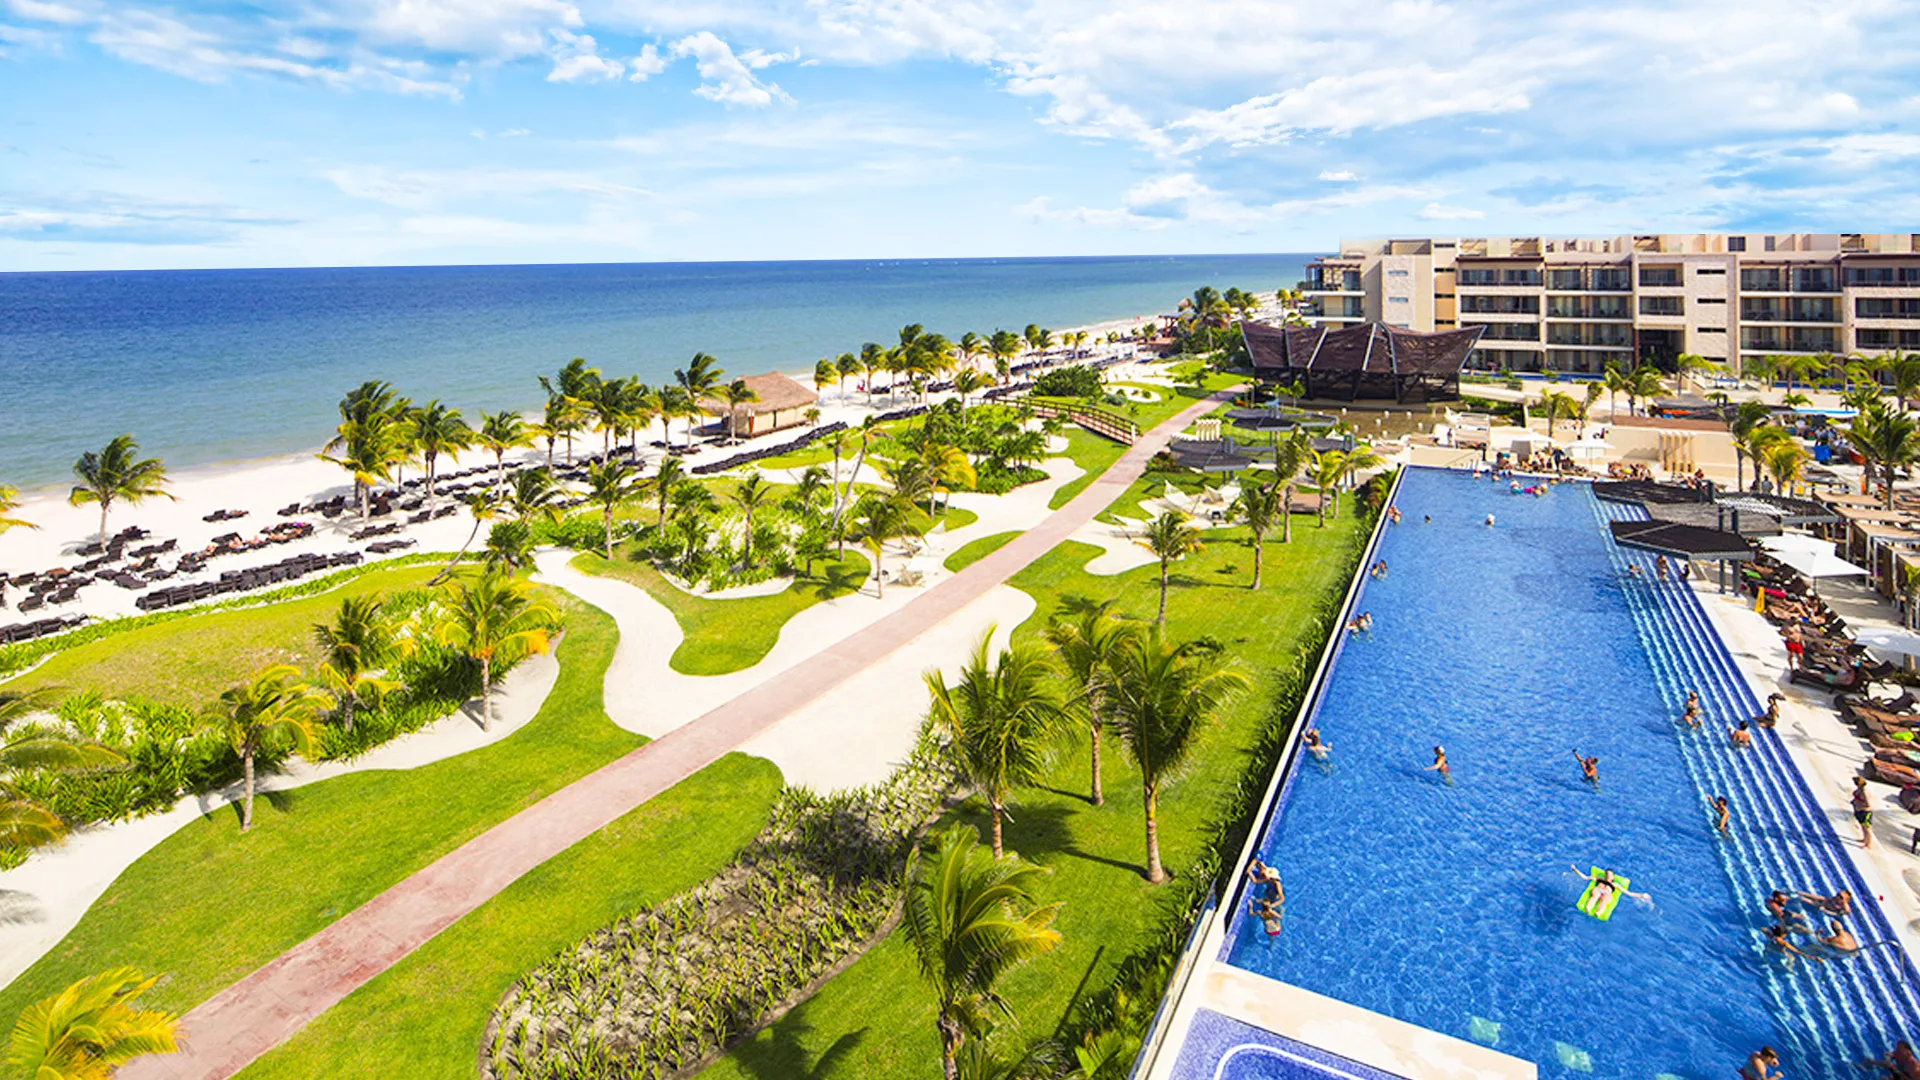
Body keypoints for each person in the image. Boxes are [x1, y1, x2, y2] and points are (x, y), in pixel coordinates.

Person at [1852, 775, 1874, 848]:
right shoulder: (1859, 789)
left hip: (1865, 812)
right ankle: (1864, 839)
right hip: (1859, 811)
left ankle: (1868, 844)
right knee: (1863, 827)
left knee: (1867, 829)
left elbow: (1868, 804)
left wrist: (1860, 805)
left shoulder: (1864, 792)